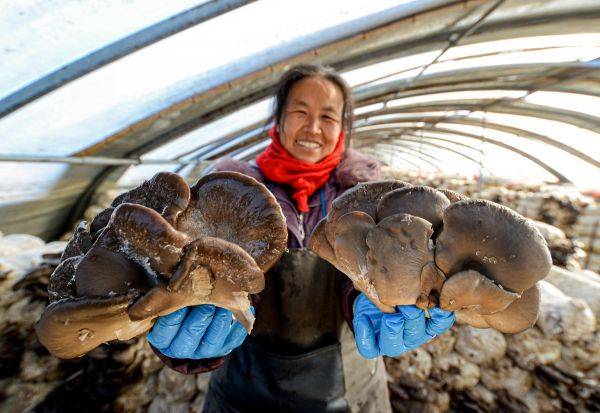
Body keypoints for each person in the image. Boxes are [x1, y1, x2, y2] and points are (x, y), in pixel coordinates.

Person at [146, 64, 455, 412]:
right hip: (245, 386)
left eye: (328, 116)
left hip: (350, 388)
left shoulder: (368, 196)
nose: (313, 128)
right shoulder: (231, 190)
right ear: (279, 119)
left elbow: (372, 269)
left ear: (343, 128)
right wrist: (183, 319)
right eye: (300, 112)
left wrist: (370, 298)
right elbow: (191, 267)